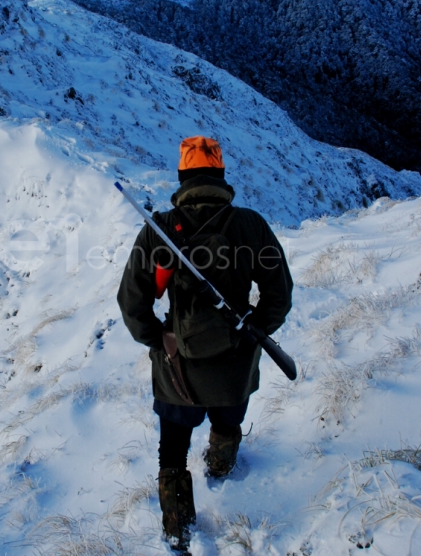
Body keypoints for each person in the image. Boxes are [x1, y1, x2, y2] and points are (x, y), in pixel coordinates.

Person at [117, 136, 293, 551]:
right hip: (235, 367)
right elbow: (279, 295)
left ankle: (177, 530)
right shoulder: (250, 225)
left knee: (173, 453)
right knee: (227, 421)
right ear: (220, 175)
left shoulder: (159, 229)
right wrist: (252, 331)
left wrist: (159, 341)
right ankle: (221, 467)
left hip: (179, 369)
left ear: (182, 177)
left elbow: (131, 301)